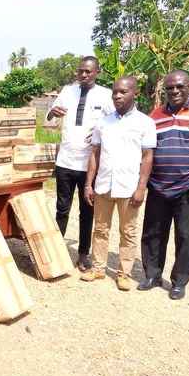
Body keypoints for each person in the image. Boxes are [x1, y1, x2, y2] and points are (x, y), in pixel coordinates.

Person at [138, 70, 189, 300]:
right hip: (158, 186)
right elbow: (146, 149)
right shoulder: (156, 115)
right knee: (153, 233)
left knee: (185, 235)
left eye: (180, 86)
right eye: (170, 88)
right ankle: (152, 274)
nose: (175, 91)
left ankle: (179, 281)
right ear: (165, 90)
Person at [82, 77, 156, 290]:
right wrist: (89, 184)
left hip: (128, 186)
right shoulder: (104, 122)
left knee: (128, 232)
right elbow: (94, 154)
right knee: (101, 229)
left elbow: (147, 156)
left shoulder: (145, 122)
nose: (117, 96)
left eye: (123, 92)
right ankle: (98, 268)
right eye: (115, 92)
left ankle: (124, 273)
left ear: (135, 94)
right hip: (104, 184)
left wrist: (141, 187)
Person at [47, 56, 115, 272]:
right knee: (62, 208)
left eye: (88, 71)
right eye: (81, 71)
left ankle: (83, 255)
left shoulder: (105, 95)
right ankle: (57, 251)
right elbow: (49, 117)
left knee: (87, 211)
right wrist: (53, 112)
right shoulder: (68, 91)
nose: (84, 75)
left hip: (90, 164)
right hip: (66, 160)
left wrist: (100, 132)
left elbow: (115, 123)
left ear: (97, 72)